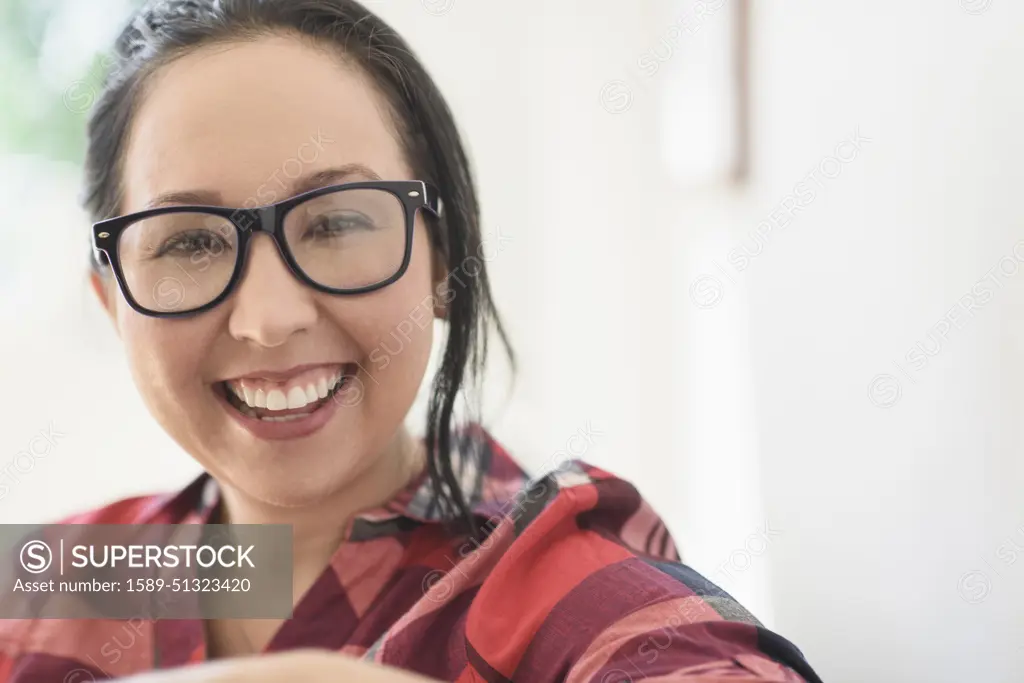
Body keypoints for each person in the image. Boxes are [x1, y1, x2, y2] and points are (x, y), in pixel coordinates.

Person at [0, 1, 823, 680]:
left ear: (442, 260)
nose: (268, 317)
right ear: (112, 302)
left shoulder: (571, 592)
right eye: (190, 242)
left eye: (335, 223)